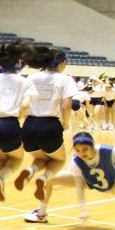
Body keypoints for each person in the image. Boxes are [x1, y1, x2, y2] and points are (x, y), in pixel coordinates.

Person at [26, 132, 115, 230]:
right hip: (87, 182)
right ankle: (41, 214)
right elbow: (79, 187)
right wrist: (83, 208)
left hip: (111, 183)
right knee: (47, 180)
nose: (82, 153)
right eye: (78, 150)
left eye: (85, 149)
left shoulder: (108, 151)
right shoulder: (76, 161)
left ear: (92, 146)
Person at [14, 46, 75, 202]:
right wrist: (65, 123)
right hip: (50, 125)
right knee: (59, 160)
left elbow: (23, 102)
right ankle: (44, 178)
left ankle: (30, 170)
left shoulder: (32, 78)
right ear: (62, 63)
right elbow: (66, 105)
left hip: (29, 125)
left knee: (41, 159)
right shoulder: (65, 79)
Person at [0, 40, 35, 201]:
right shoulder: (25, 82)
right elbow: (25, 106)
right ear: (19, 63)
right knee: (16, 158)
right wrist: (19, 118)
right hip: (8, 124)